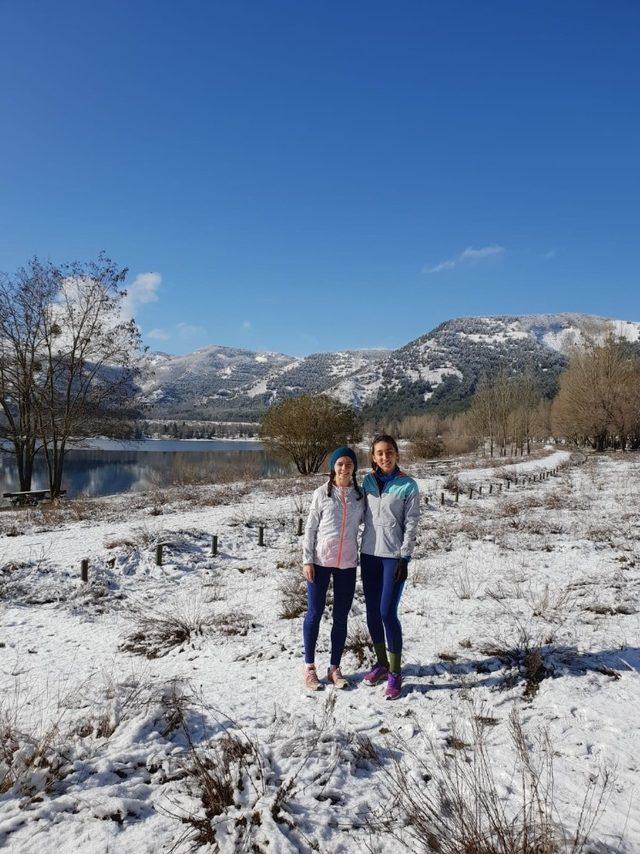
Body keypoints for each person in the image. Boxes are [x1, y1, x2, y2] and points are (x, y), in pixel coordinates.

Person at [361, 434, 420, 700]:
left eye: (389, 452)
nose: (385, 457)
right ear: (373, 457)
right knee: (372, 613)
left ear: (396, 453)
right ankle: (382, 664)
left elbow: (412, 523)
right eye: (379, 453)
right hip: (368, 555)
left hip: (392, 558)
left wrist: (404, 558)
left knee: (387, 612)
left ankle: (395, 673)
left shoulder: (408, 485)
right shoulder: (367, 482)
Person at [302, 446, 364, 692]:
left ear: (354, 468)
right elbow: (310, 528)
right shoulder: (321, 494)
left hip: (347, 563)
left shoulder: (360, 497)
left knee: (341, 616)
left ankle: (334, 667)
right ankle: (309, 668)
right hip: (320, 562)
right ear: (333, 467)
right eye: (340, 463)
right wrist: (307, 559)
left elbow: (368, 525)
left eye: (349, 464)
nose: (344, 468)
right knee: (314, 613)